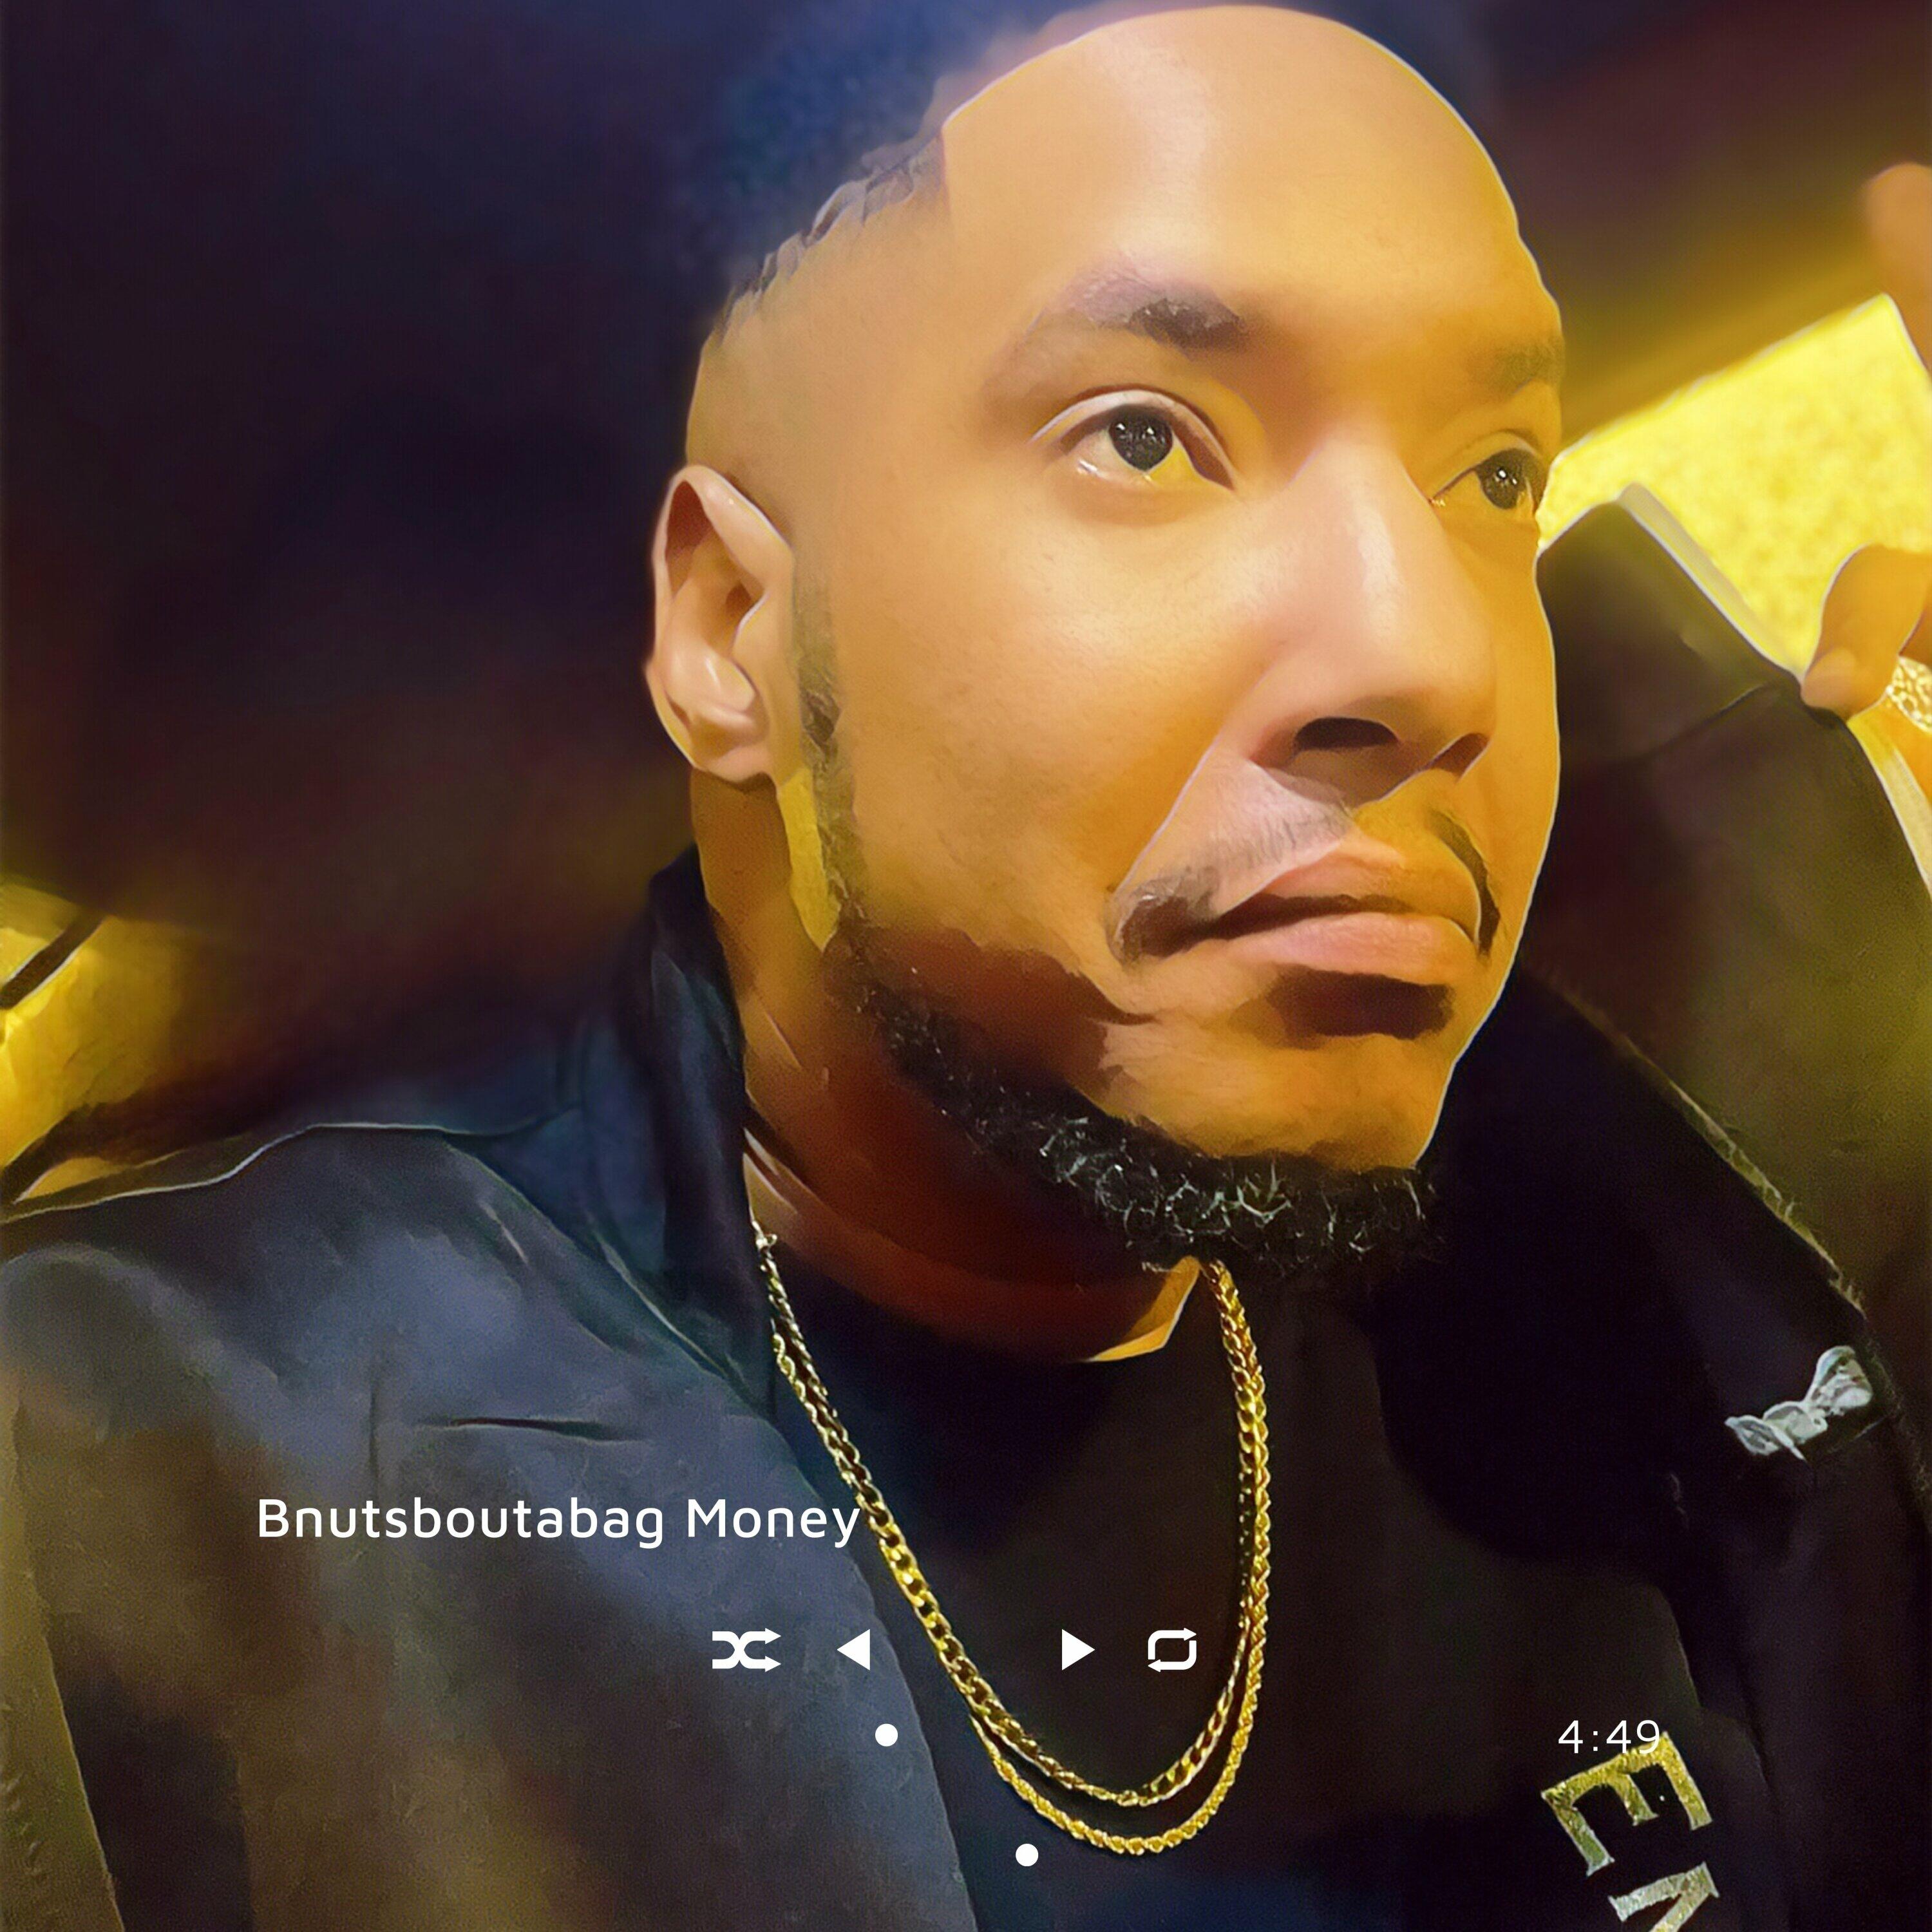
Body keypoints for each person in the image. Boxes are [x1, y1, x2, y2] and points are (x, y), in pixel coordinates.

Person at [3, 8, 1928, 1929]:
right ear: (729, 629)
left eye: (1496, 476)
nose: (1425, 662)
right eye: (1147, 436)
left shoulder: (1689, 1269)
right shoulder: (128, 1498)